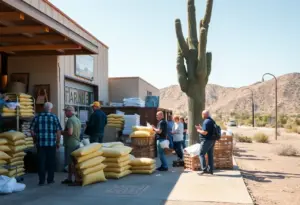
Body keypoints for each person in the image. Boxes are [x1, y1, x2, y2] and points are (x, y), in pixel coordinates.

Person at [30, 102, 62, 185]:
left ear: (43, 108)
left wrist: (35, 139)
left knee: (41, 162)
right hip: (51, 143)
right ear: (50, 109)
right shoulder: (54, 117)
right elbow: (58, 131)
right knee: (51, 162)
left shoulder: (37, 117)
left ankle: (41, 180)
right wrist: (58, 142)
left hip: (40, 144)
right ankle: (50, 179)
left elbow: (32, 131)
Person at [61, 106, 81, 185]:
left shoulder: (70, 120)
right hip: (76, 142)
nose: (65, 113)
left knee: (72, 163)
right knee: (72, 162)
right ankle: (69, 178)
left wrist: (61, 132)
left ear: (69, 112)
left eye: (66, 111)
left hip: (70, 144)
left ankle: (76, 179)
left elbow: (70, 132)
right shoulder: (77, 119)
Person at [195, 110, 216, 175]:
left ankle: (204, 169)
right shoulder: (211, 121)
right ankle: (210, 170)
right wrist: (201, 128)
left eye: (202, 114)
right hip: (212, 140)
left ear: (204, 115)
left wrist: (198, 130)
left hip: (206, 140)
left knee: (201, 154)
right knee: (210, 155)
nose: (202, 115)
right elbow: (208, 130)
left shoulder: (206, 122)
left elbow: (205, 132)